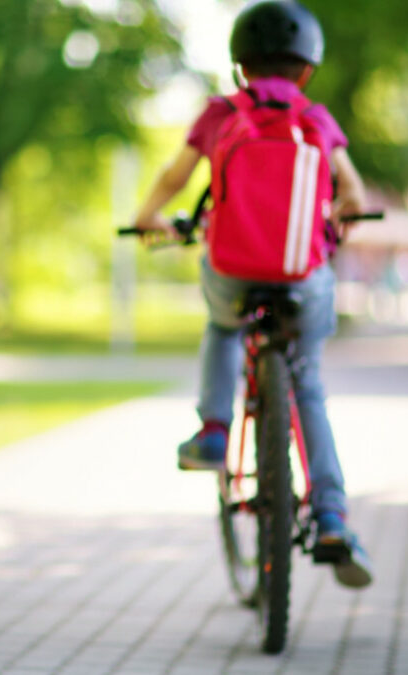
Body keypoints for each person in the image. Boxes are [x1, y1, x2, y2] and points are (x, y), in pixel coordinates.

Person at [130, 0, 373, 589]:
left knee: (222, 325)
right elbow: (355, 194)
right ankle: (333, 514)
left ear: (240, 64)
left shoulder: (221, 113)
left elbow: (175, 176)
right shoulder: (315, 118)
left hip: (234, 268)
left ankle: (214, 431)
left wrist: (149, 216)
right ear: (307, 69)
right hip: (303, 275)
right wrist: (342, 213)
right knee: (307, 383)